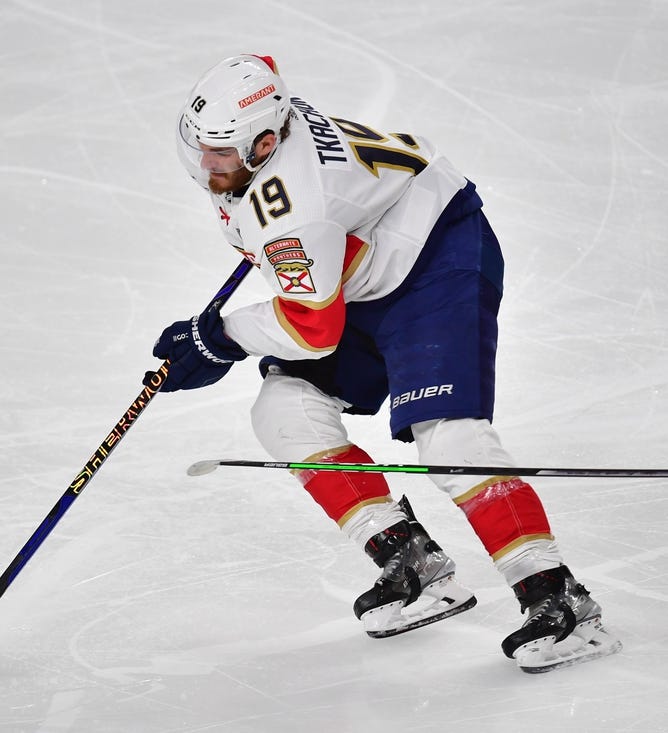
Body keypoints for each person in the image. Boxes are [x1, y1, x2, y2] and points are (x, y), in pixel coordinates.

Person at [152, 54, 621, 673]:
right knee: (284, 411)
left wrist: (222, 338)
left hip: (435, 263)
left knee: (450, 438)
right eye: (199, 146)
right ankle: (414, 565)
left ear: (265, 142)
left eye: (221, 152)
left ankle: (560, 600)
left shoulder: (292, 204)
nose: (205, 164)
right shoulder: (268, 153)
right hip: (367, 271)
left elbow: (311, 328)